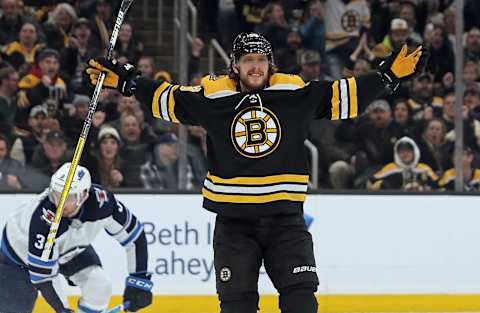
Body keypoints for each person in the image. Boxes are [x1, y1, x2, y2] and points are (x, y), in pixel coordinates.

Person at [86, 32, 426, 313]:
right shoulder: (213, 95)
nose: (256, 67)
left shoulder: (292, 91)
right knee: (237, 307)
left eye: (261, 60)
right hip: (234, 225)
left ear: (270, 64)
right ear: (235, 65)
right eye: (248, 60)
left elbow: (344, 95)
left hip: (286, 222)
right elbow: (168, 99)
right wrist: (129, 81)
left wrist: (386, 76)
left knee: (301, 303)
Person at [0, 163, 152, 313]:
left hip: (69, 247)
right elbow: (43, 279)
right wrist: (63, 309)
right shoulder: (43, 221)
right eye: (57, 195)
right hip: (17, 259)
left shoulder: (102, 203)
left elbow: (135, 237)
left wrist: (139, 281)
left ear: (84, 195)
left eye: (68, 197)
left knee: (99, 286)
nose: (60, 203)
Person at [367, 136, 437, 191]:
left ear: (415, 152)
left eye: (408, 151)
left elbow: (437, 184)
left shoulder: (424, 168)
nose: (405, 154)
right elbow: (371, 182)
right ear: (397, 153)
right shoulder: (391, 168)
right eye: (402, 151)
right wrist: (381, 185)